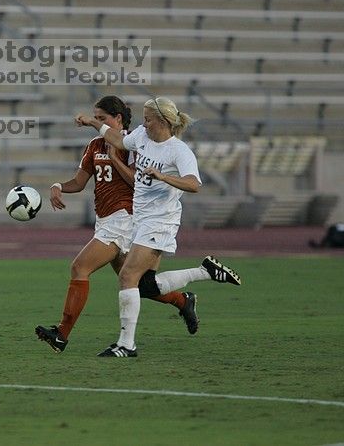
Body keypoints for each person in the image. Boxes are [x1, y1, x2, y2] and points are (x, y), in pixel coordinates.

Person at [74, 96, 241, 357]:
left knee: (127, 276)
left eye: (148, 119)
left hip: (161, 221)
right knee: (146, 285)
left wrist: (163, 176)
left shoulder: (178, 151)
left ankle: (126, 345)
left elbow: (194, 184)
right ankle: (205, 272)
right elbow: (118, 139)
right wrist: (93, 124)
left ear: (162, 121)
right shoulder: (141, 136)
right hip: (141, 220)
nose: (144, 123)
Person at [35, 96, 199, 354]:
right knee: (138, 284)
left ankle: (61, 334)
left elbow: (139, 183)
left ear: (118, 119)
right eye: (96, 118)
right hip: (104, 220)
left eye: (103, 119)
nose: (99, 123)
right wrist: (58, 187)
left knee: (80, 267)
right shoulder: (94, 145)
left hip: (124, 218)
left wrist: (116, 160)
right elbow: (79, 182)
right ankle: (182, 300)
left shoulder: (136, 142)